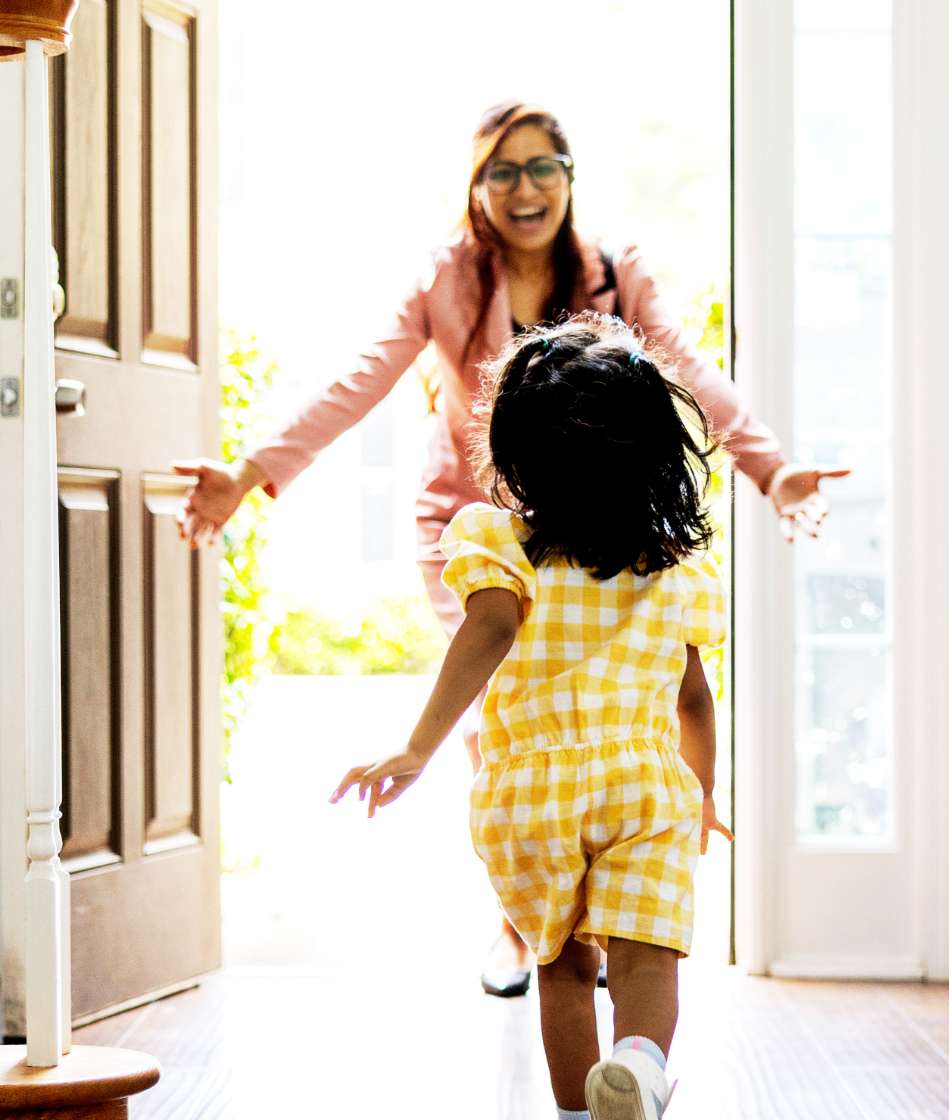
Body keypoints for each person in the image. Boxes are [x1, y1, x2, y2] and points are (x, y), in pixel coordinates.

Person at [172, 100, 842, 997]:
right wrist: (251, 470)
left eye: (542, 169)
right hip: (476, 524)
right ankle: (525, 925)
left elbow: (684, 365)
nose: (525, 189)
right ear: (478, 189)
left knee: (610, 706)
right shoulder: (446, 281)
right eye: (503, 171)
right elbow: (357, 381)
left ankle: (610, 905)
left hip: (599, 525)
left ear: (568, 178)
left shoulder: (613, 273)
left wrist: (773, 468)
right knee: (501, 709)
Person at [332, 316, 729, 1120]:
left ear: (517, 454)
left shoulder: (497, 543)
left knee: (563, 968)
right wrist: (705, 796)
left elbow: (490, 628)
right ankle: (642, 1068)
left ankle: (578, 1114)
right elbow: (692, 697)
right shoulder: (670, 567)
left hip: (532, 797)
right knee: (649, 955)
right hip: (643, 789)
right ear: (652, 455)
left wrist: (416, 749)